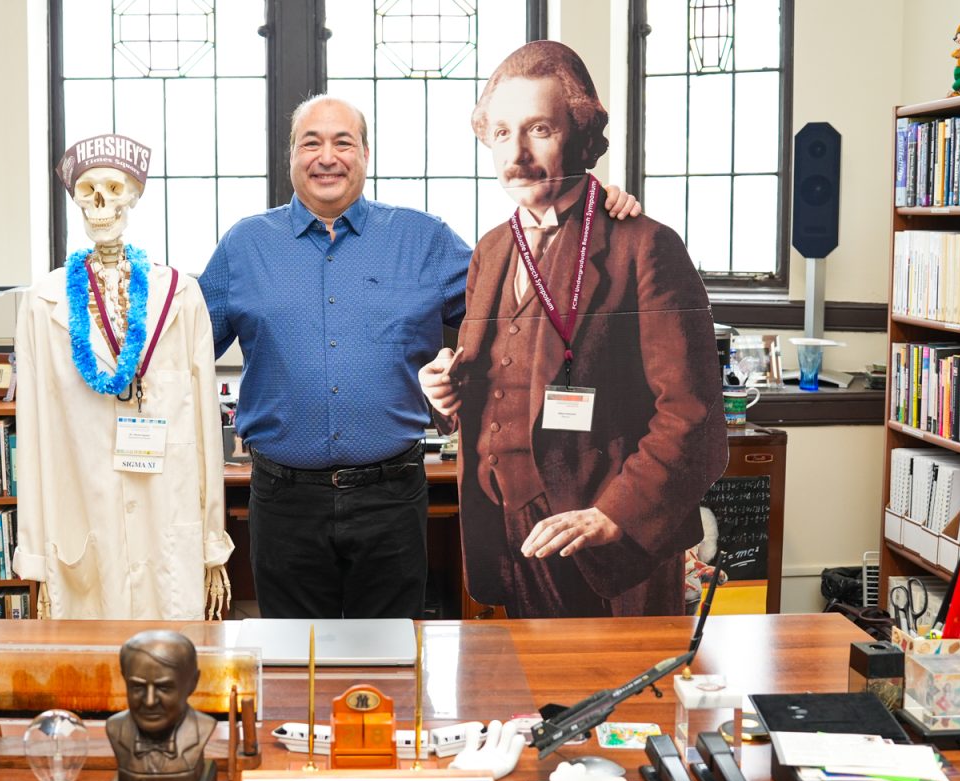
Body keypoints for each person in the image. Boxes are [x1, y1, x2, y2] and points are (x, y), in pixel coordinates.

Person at [198, 94, 639, 619]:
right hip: (282, 500)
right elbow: (184, 346)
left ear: (365, 153)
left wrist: (592, 224)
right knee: (295, 662)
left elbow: (520, 296)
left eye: (343, 142)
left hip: (389, 499)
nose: (327, 156)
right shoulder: (245, 245)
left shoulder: (422, 239)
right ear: (291, 157)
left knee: (392, 661)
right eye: (310, 143)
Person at [418, 40, 727, 618]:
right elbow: (492, 388)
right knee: (534, 704)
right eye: (502, 133)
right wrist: (445, 393)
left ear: (581, 134)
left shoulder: (645, 245)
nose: (519, 153)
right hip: (507, 525)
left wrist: (613, 515)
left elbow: (695, 414)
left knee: (626, 702)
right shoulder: (489, 250)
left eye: (539, 128)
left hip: (608, 540)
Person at [12, 134, 232, 620]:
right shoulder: (43, 302)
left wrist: (211, 544)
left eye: (113, 188)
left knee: (172, 668)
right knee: (89, 672)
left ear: (133, 197)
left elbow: (204, 430)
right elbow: (31, 436)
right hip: (81, 517)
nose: (99, 202)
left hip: (166, 515)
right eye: (86, 190)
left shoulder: (180, 294)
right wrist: (36, 561)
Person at [104, 630, 216, 781]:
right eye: (137, 687)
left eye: (164, 688)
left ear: (193, 683)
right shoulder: (115, 728)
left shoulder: (203, 728)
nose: (150, 701)